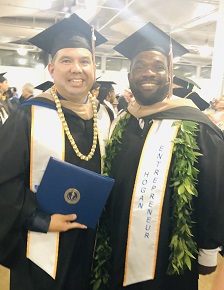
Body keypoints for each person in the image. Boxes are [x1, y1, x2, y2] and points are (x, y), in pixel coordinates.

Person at [92, 22, 224, 290]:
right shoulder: (123, 122)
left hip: (171, 256)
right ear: (130, 75)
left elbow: (214, 191)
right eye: (139, 67)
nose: (147, 73)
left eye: (157, 66)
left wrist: (208, 248)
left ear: (170, 74)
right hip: (118, 244)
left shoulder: (198, 126)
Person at [0, 13, 109, 290]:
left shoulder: (105, 116)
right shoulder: (27, 116)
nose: (76, 68)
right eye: (66, 60)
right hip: (40, 243)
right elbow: (5, 182)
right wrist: (40, 220)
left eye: (85, 61)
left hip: (91, 243)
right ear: (51, 70)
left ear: (94, 68)